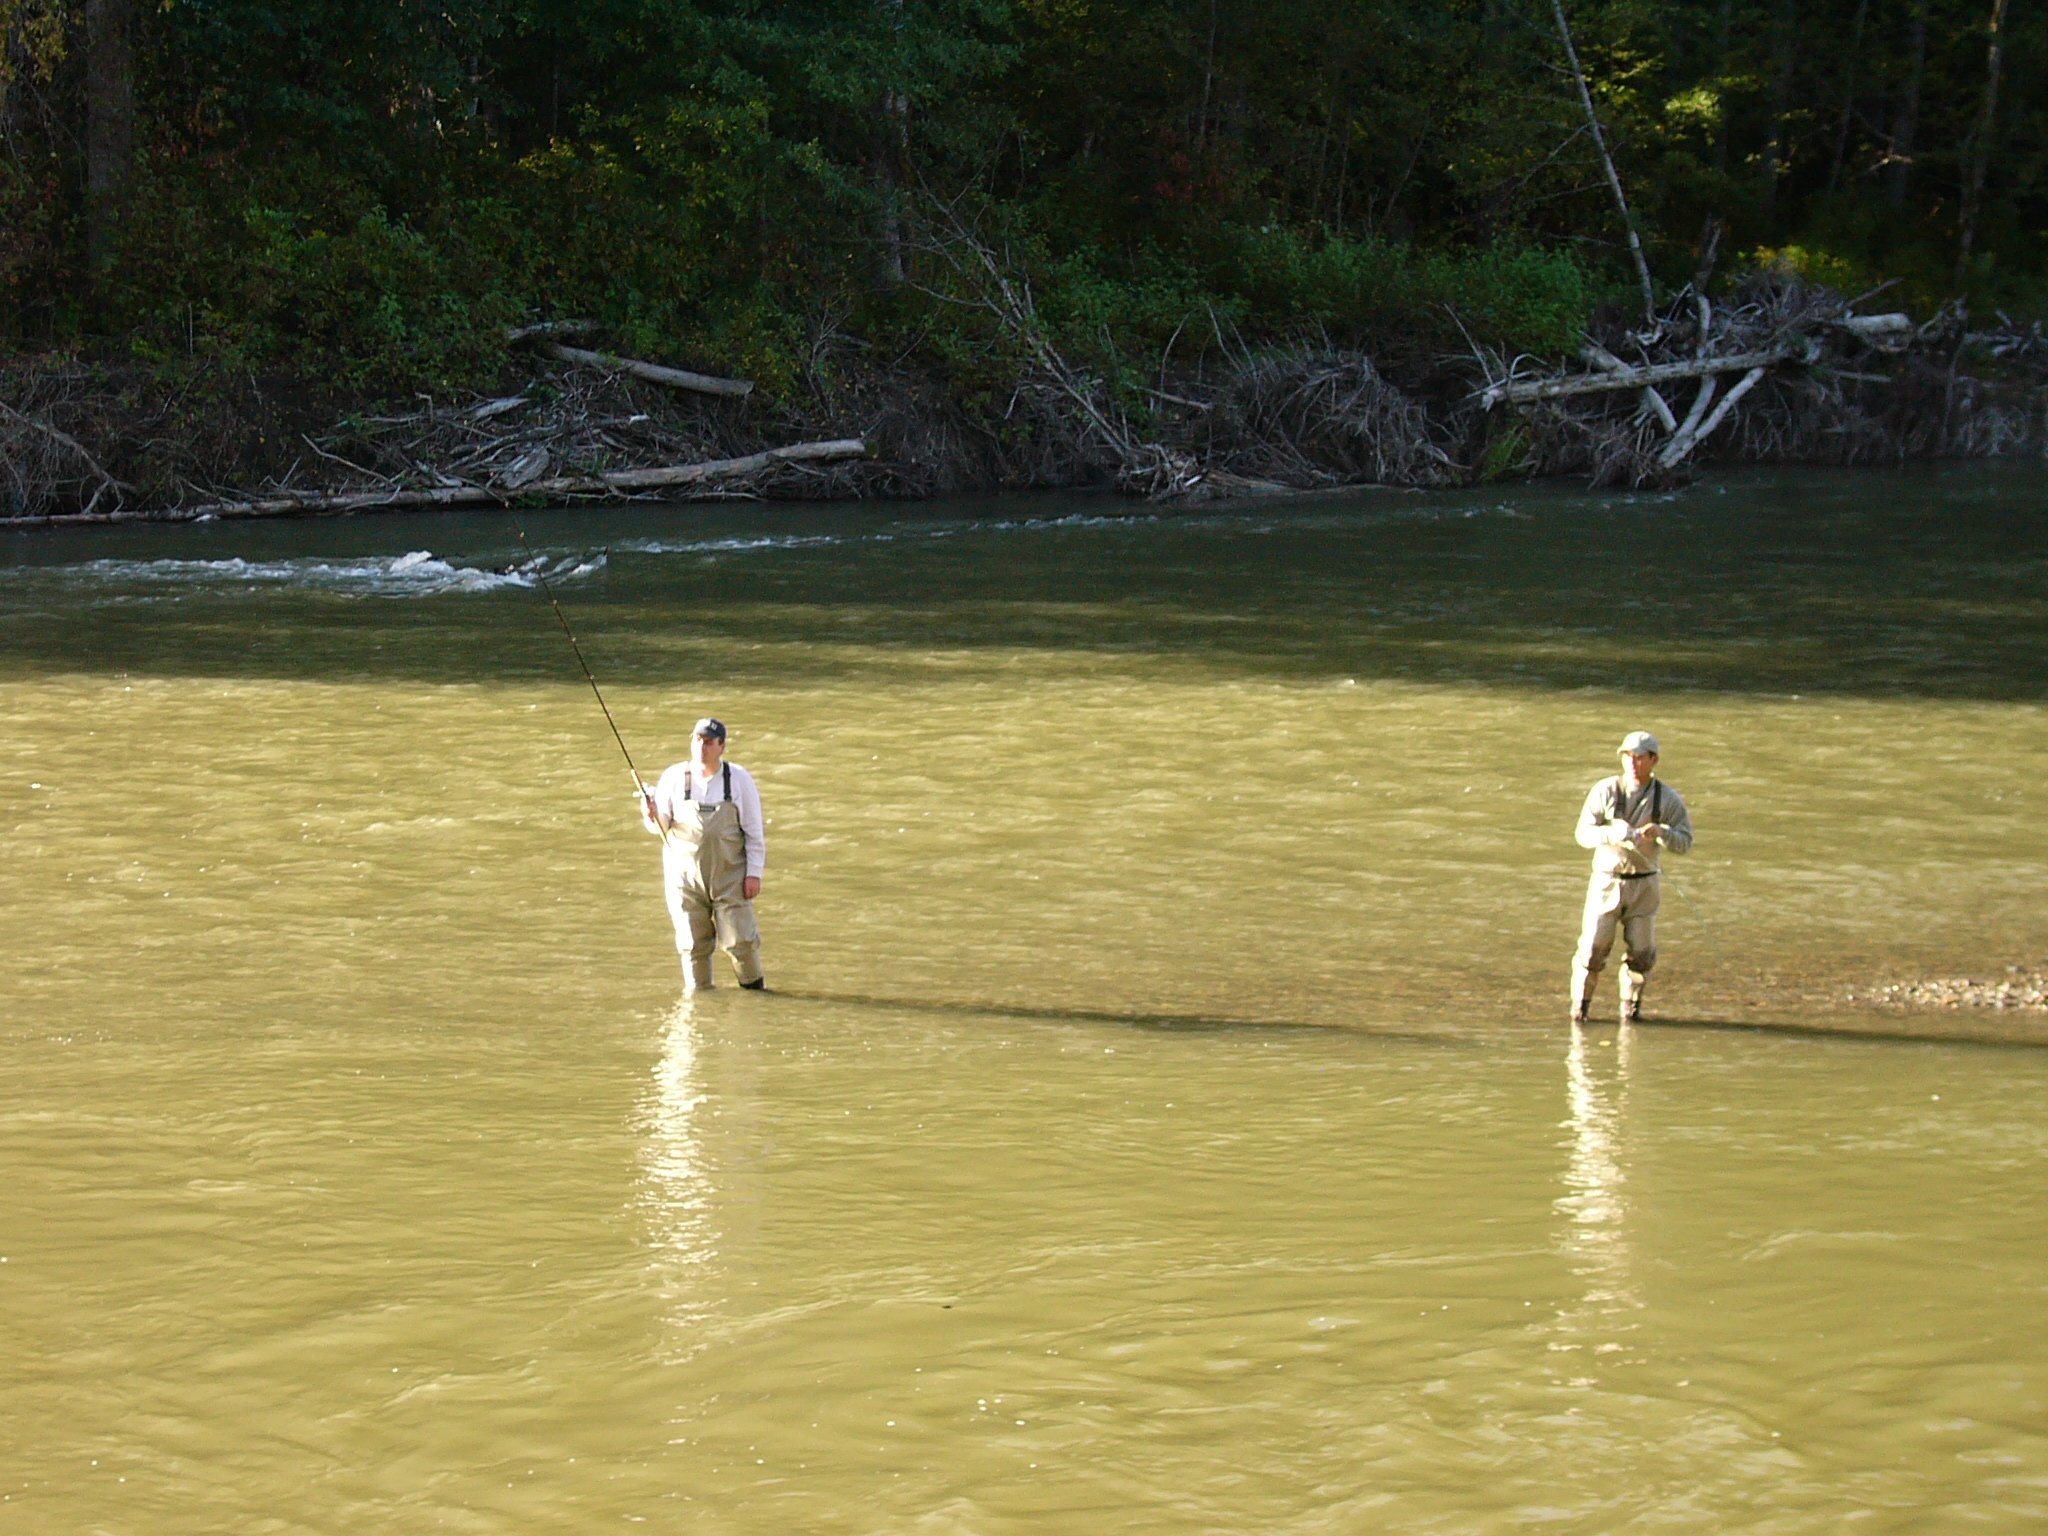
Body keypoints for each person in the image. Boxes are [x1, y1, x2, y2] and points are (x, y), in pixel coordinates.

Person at [1569, 730, 1693, 1024]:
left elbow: (1685, 842)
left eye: (1640, 758)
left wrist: (1662, 833)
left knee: (1642, 953)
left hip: (1644, 884)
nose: (1633, 764)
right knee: (1593, 950)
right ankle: (1580, 1010)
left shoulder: (1668, 798)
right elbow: (1583, 835)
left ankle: (1631, 1011)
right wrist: (1612, 833)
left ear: (1654, 760)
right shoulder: (1605, 790)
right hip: (1606, 882)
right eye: (1628, 757)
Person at [640, 717, 767, 992]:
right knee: (692, 944)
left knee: (742, 942)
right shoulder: (673, 777)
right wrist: (651, 814)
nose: (702, 747)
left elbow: (754, 832)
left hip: (730, 877)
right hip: (684, 879)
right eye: (698, 740)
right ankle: (700, 1001)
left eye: (709, 742)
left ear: (722, 747)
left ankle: (757, 996)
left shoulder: (739, 779)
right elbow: (660, 828)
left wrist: (754, 874)